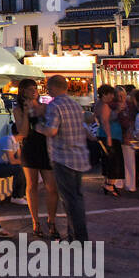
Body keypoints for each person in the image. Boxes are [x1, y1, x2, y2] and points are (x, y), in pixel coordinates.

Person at [34, 75, 90, 241]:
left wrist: (39, 128)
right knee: (76, 198)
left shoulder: (55, 105)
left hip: (63, 158)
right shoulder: (75, 105)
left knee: (70, 201)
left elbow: (52, 131)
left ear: (53, 87)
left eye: (48, 87)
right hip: (78, 157)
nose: (48, 91)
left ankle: (79, 237)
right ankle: (75, 235)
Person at [13, 78, 59, 239]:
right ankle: (35, 222)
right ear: (23, 91)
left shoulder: (45, 107)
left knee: (52, 187)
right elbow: (23, 132)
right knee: (31, 186)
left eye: (35, 87)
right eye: (30, 88)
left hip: (46, 148)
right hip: (30, 148)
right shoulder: (18, 110)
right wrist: (26, 113)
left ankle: (51, 221)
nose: (34, 90)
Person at [0, 127, 28, 205]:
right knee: (19, 169)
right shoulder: (8, 140)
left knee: (25, 168)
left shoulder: (16, 141)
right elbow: (12, 161)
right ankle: (16, 197)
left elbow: (19, 157)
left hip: (3, 165)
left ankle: (22, 194)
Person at [96, 84, 125, 196]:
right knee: (114, 162)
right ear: (105, 94)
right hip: (110, 136)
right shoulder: (104, 106)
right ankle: (110, 184)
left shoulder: (99, 104)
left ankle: (108, 183)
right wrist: (108, 137)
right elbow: (105, 122)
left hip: (105, 135)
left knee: (108, 161)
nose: (113, 96)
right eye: (111, 94)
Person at [118, 84, 139, 193]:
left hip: (130, 136)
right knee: (124, 161)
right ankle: (124, 182)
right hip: (124, 136)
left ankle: (131, 184)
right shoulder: (120, 106)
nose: (121, 98)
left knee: (130, 160)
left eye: (122, 95)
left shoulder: (131, 107)